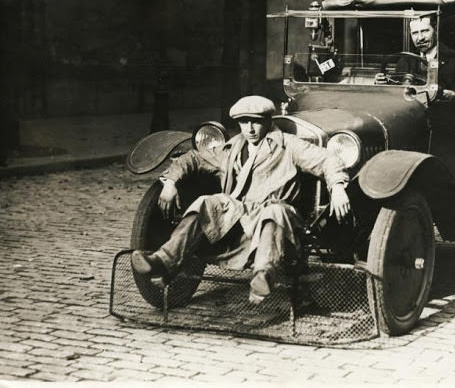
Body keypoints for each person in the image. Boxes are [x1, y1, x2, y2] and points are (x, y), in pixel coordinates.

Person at [131, 95, 351, 304]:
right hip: (239, 213)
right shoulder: (232, 148)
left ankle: (263, 275)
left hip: (276, 213)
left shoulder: (288, 145)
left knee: (274, 212)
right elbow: (193, 158)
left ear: (267, 121)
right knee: (207, 202)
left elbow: (327, 159)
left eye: (256, 122)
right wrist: (169, 183)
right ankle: (164, 261)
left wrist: (338, 187)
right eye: (244, 122)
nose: (250, 129)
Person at [396, 15, 455, 105]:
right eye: (415, 33)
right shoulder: (405, 61)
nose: (420, 38)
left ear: (435, 30)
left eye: (425, 31)